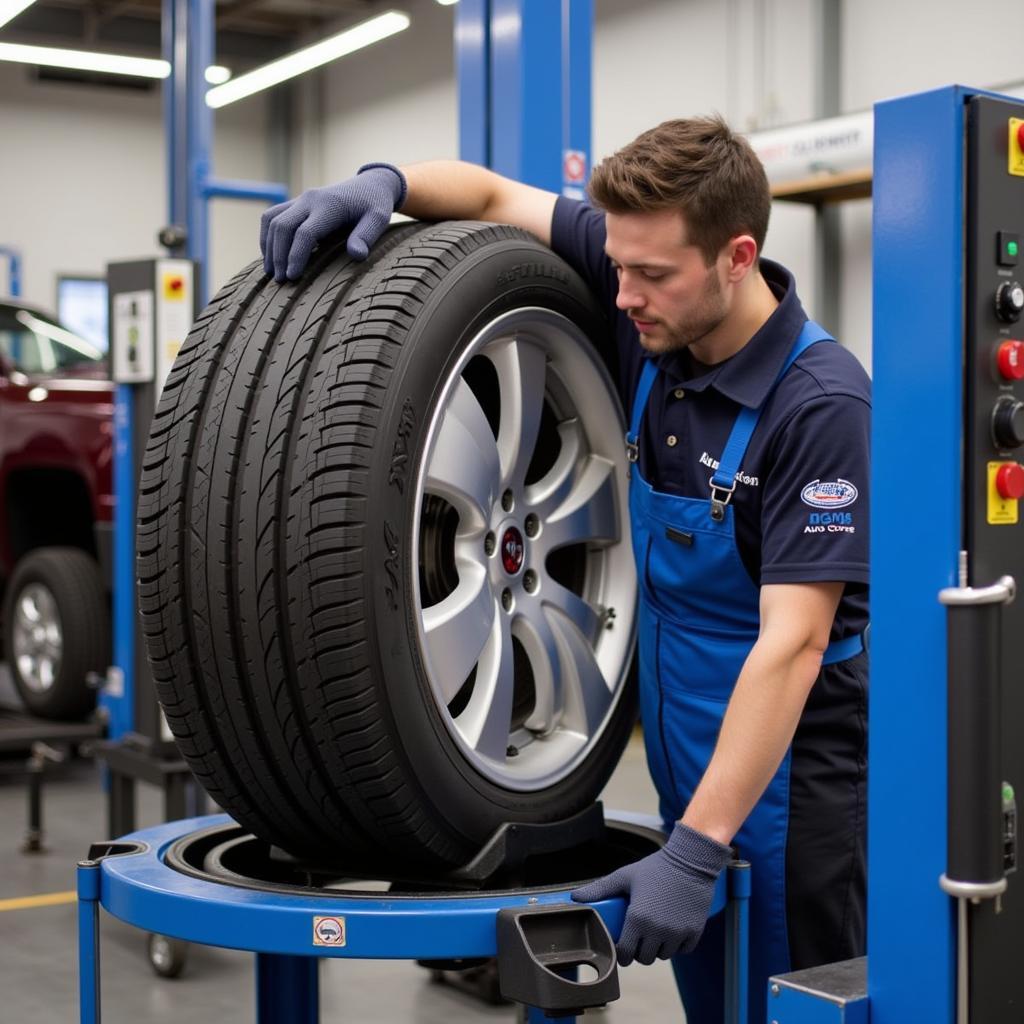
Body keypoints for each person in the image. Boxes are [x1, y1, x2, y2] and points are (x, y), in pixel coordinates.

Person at [259, 116, 870, 1023]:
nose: (622, 295)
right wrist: (384, 181)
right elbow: (495, 195)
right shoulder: (654, 305)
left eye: (652, 275)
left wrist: (698, 847)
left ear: (738, 257)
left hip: (788, 792)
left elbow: (794, 642)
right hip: (687, 759)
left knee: (785, 1004)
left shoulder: (821, 405)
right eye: (617, 265)